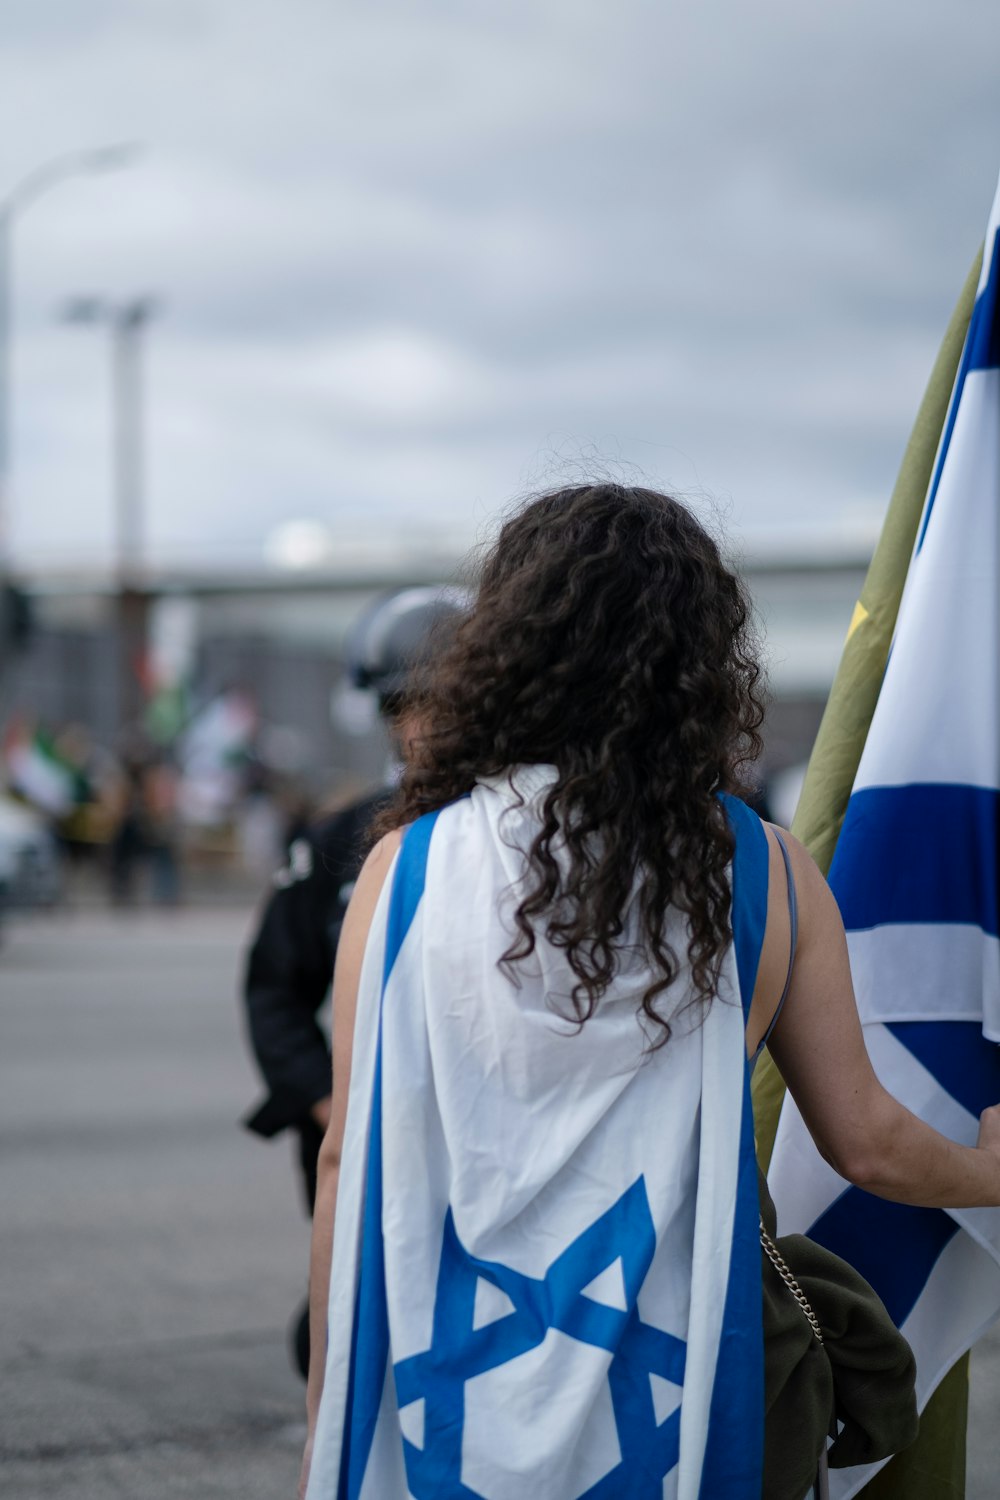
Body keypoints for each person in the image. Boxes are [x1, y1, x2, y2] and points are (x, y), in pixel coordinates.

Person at [298, 484, 1000, 1500]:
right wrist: (990, 1171)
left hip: (444, 1385)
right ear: (702, 664)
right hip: (693, 1394)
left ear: (503, 646)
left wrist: (331, 1408)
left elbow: (342, 1164)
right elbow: (866, 1141)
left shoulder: (404, 871)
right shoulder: (764, 873)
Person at [241, 586, 466, 1376]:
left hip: (486, 1149)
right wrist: (329, 1100)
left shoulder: (529, 838)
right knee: (338, 1336)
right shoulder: (339, 839)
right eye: (400, 706)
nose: (417, 728)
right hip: (357, 1144)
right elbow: (272, 987)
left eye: (439, 702)